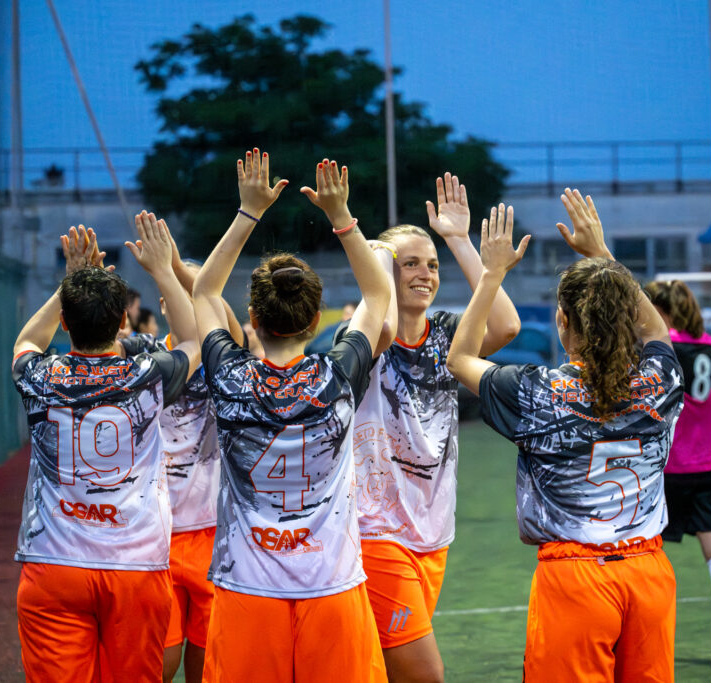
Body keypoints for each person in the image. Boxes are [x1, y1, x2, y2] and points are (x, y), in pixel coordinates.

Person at [447, 191, 684, 682]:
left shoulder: (538, 392)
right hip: (648, 572)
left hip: (576, 575)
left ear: (562, 321)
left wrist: (492, 274)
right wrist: (602, 256)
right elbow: (657, 330)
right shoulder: (660, 381)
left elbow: (459, 359)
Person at [192, 150, 390, 683]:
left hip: (247, 590)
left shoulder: (232, 378)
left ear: (252, 319)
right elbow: (378, 294)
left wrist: (248, 212)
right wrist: (342, 217)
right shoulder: (338, 375)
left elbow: (204, 291)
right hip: (331, 587)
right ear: (315, 318)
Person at [338, 172, 520, 682]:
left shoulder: (445, 335)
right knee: (424, 675)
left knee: (383, 668)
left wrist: (459, 241)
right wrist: (377, 260)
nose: (425, 273)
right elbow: (388, 325)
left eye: (431, 264)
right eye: (409, 263)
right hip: (375, 532)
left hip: (432, 532)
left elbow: (506, 327)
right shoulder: (363, 333)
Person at [11, 218, 200, 681]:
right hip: (134, 564)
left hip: (54, 564)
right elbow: (195, 339)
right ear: (122, 322)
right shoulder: (146, 375)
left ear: (63, 321)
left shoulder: (39, 375)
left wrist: (69, 286)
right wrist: (163, 271)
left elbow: (26, 342)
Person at [117, 244, 243, 683]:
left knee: (209, 667)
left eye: (199, 295)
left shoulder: (226, 360)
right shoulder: (143, 354)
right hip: (158, 535)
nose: (190, 301)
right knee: (158, 663)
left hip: (215, 535)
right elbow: (99, 338)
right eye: (178, 293)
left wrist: (179, 270)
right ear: (164, 303)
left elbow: (222, 320)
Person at [644, 280, 711, 671]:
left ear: (663, 312)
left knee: (647, 555)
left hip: (668, 467)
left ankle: (641, 646)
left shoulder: (656, 348)